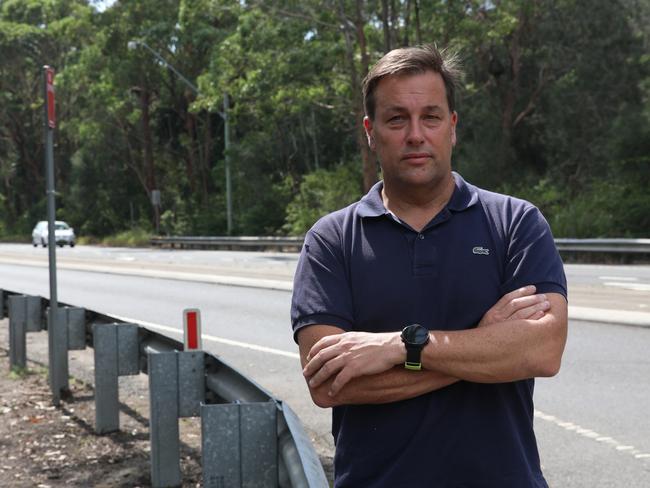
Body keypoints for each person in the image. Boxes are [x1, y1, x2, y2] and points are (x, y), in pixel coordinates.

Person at [290, 44, 568, 488]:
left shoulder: (516, 223)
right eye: (397, 118)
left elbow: (541, 351)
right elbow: (330, 384)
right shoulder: (332, 239)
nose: (416, 134)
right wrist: (486, 345)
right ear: (371, 130)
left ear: (452, 127)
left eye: (431, 117)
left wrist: (400, 347)